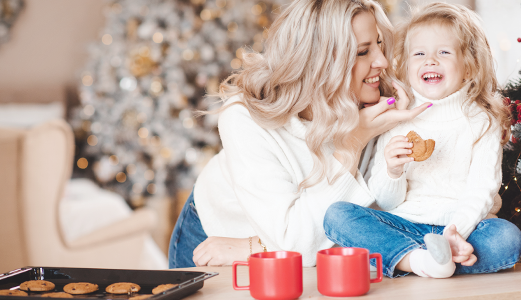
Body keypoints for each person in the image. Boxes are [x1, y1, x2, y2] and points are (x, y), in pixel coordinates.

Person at [168, 0, 432, 268]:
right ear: (320, 63)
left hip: (308, 248)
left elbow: (378, 212)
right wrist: (352, 144)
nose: (383, 61)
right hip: (218, 236)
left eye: (379, 44)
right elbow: (294, 244)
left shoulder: (379, 102)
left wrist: (258, 247)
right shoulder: (243, 117)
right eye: (363, 51)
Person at [323, 2, 521, 278]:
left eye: (443, 52)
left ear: (468, 66)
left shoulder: (481, 120)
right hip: (406, 224)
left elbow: (481, 191)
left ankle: (419, 258)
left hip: (464, 228)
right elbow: (387, 203)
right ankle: (421, 260)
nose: (430, 60)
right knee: (337, 215)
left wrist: (456, 233)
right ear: (406, 67)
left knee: (507, 238)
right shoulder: (399, 116)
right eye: (419, 53)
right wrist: (393, 171)